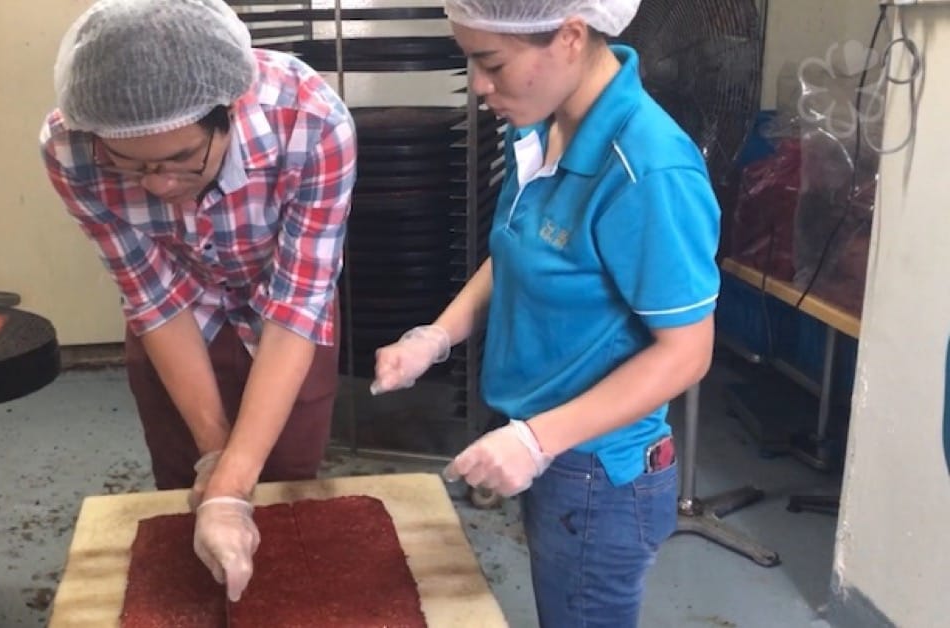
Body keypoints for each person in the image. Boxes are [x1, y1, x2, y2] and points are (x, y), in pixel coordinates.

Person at [371, 1, 720, 626]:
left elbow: (686, 352)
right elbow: (515, 250)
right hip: (550, 448)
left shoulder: (648, 169)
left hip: (598, 473)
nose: (479, 86)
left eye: (492, 62)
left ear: (570, 36)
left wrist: (537, 441)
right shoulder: (537, 123)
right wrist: (435, 337)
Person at [39, 0, 356, 602]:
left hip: (282, 301)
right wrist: (216, 463)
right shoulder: (70, 149)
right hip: (179, 310)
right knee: (185, 476)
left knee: (283, 478)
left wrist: (237, 486)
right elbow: (152, 298)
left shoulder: (312, 122)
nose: (158, 185)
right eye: (130, 165)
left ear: (229, 112)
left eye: (183, 159)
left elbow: (296, 306)